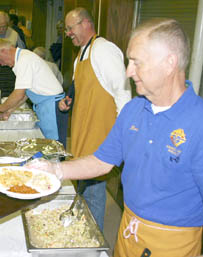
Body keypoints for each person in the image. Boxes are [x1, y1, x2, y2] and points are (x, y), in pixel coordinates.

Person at [27, 18, 203, 257]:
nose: (128, 71)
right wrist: (55, 169)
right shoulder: (133, 110)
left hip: (173, 245)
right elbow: (101, 161)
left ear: (170, 63)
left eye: (137, 63)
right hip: (127, 232)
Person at [57, 8, 131, 231]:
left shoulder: (104, 50)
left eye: (71, 28)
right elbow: (83, 88)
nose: (68, 33)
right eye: (67, 29)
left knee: (94, 194)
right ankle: (84, 228)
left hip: (100, 136)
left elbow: (123, 94)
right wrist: (68, 100)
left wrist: (122, 137)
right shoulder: (82, 54)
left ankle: (94, 241)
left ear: (86, 23)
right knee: (84, 191)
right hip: (83, 133)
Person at [0, 39, 68, 147]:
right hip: (46, 106)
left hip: (53, 107)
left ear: (4, 51)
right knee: (47, 145)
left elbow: (19, 94)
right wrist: (9, 111)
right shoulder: (22, 58)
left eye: (0, 60)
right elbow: (27, 92)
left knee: (56, 146)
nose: (2, 64)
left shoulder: (24, 60)